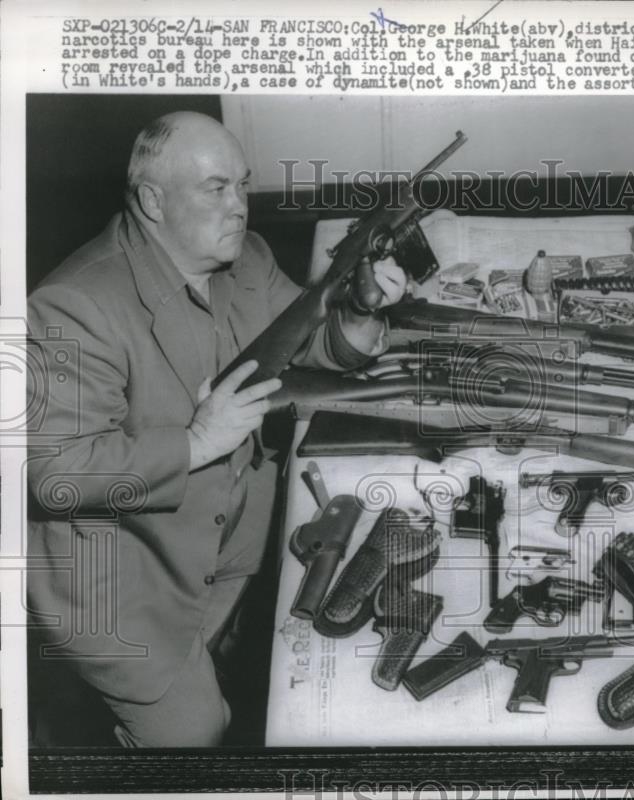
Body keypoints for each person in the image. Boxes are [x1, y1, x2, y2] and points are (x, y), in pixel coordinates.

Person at [26, 111, 407, 746]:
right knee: (199, 735)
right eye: (215, 188)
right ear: (152, 200)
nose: (240, 207)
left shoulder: (246, 259)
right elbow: (54, 472)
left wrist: (362, 307)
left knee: (232, 665)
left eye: (242, 184)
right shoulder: (73, 305)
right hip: (130, 582)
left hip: (233, 542)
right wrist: (199, 440)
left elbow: (310, 345)